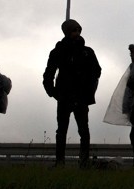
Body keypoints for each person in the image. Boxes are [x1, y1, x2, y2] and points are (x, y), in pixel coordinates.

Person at [43, 19, 102, 167]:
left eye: (78, 30)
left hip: (81, 97)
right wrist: (53, 92)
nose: (77, 33)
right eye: (74, 30)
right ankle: (60, 162)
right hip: (64, 97)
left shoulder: (87, 52)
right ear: (67, 32)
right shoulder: (59, 51)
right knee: (61, 131)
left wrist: (87, 89)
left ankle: (83, 163)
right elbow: (49, 73)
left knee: (84, 130)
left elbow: (97, 71)